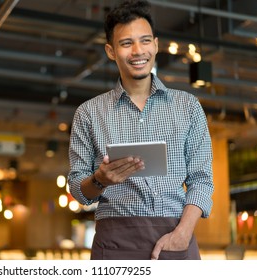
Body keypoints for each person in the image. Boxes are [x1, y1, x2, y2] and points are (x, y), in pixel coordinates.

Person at [68, 0, 214, 260]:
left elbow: (201, 180)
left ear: (156, 45)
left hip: (176, 233)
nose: (138, 51)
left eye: (145, 41)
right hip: (114, 240)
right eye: (126, 43)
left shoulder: (188, 106)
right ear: (111, 51)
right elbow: (79, 191)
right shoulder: (88, 113)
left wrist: (183, 232)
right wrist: (99, 180)